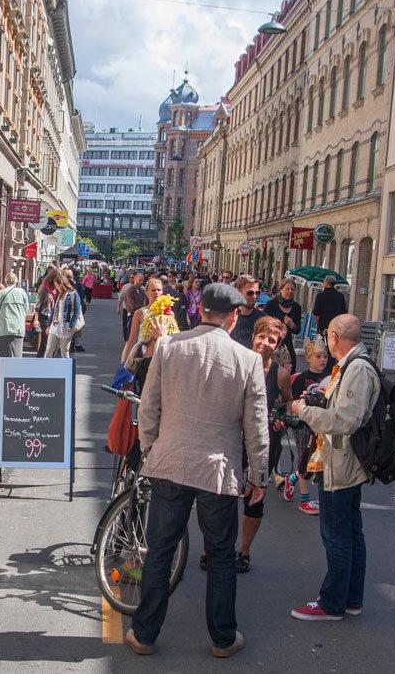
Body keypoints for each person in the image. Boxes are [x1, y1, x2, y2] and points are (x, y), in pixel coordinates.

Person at [125, 282, 268, 659]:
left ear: (200, 310)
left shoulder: (170, 347)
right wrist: (259, 475)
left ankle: (144, 634)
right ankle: (222, 638)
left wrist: (151, 447)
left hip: (170, 461)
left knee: (159, 552)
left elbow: (149, 407)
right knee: (220, 556)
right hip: (218, 471)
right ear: (234, 318)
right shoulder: (247, 359)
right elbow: (256, 425)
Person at [288, 315, 377, 621]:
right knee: (350, 532)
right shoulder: (353, 366)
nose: (327, 343)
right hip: (345, 461)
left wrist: (305, 411)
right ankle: (350, 599)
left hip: (342, 463)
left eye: (328, 337)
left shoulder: (358, 369)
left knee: (337, 534)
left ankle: (332, 603)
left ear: (336, 337)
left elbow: (346, 420)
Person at [232, 316, 292, 574]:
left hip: (265, 443)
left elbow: (288, 403)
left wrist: (282, 419)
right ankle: (212, 549)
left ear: (277, 346)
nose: (265, 343)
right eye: (262, 337)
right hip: (234, 439)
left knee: (255, 500)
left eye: (272, 340)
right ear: (253, 336)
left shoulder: (280, 374)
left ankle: (243, 550)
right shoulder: (237, 364)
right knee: (222, 497)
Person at [282, 335, 332, 515]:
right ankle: (304, 500)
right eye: (318, 356)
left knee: (317, 460)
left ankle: (292, 480)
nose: (322, 360)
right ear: (308, 357)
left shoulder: (331, 377)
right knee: (305, 459)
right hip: (303, 425)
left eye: (325, 356)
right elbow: (292, 402)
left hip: (321, 424)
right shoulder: (303, 377)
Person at [121, 277, 176, 391]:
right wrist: (125, 364)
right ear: (146, 293)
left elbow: (173, 338)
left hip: (164, 360)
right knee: (144, 393)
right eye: (153, 290)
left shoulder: (169, 314)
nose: (157, 293)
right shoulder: (140, 313)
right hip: (145, 360)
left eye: (159, 290)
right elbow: (131, 340)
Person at [264, 278, 303, 366]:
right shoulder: (271, 304)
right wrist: (277, 325)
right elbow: (263, 324)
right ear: (281, 289)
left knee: (289, 371)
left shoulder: (297, 307)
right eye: (287, 288)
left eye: (292, 289)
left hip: (287, 345)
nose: (290, 291)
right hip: (272, 343)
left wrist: (292, 324)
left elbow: (297, 330)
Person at [44, 273, 82, 359]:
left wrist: (72, 325)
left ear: (61, 283)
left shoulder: (73, 294)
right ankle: (46, 369)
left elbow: (77, 310)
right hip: (55, 325)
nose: (55, 287)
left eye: (56, 285)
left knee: (64, 351)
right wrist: (49, 325)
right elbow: (54, 310)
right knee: (49, 349)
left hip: (66, 326)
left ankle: (66, 371)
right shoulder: (58, 294)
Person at [0, 272, 29, 359]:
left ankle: (1, 371)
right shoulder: (22, 292)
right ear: (16, 281)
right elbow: (26, 309)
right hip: (18, 327)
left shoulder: (0, 293)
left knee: (2, 354)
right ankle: (15, 371)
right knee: (16, 354)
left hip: (4, 326)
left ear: (5, 281)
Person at [229, 275, 266, 349]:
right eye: (250, 293)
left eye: (257, 293)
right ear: (238, 292)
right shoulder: (226, 316)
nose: (254, 296)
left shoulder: (263, 319)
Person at [121, 272, 146, 341]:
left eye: (143, 280)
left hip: (141, 316)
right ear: (135, 280)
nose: (141, 282)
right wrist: (142, 307)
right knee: (130, 337)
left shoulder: (142, 291)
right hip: (132, 316)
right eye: (140, 280)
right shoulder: (129, 290)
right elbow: (131, 307)